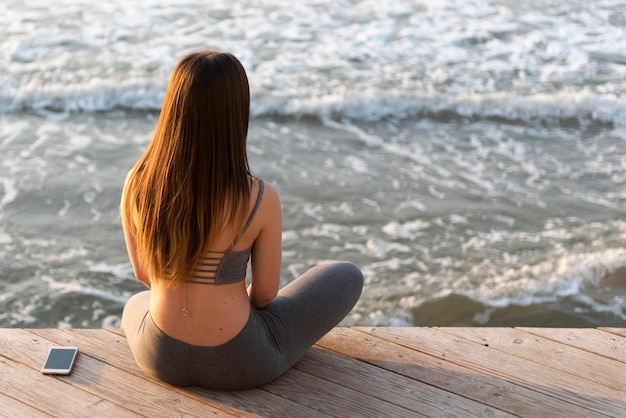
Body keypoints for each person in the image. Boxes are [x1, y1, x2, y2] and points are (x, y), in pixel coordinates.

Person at [120, 50, 363, 390]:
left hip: (160, 356)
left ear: (174, 106)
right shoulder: (260, 197)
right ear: (237, 112)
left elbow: (144, 274)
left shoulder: (138, 183)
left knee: (136, 303)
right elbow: (263, 295)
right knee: (347, 275)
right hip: (240, 362)